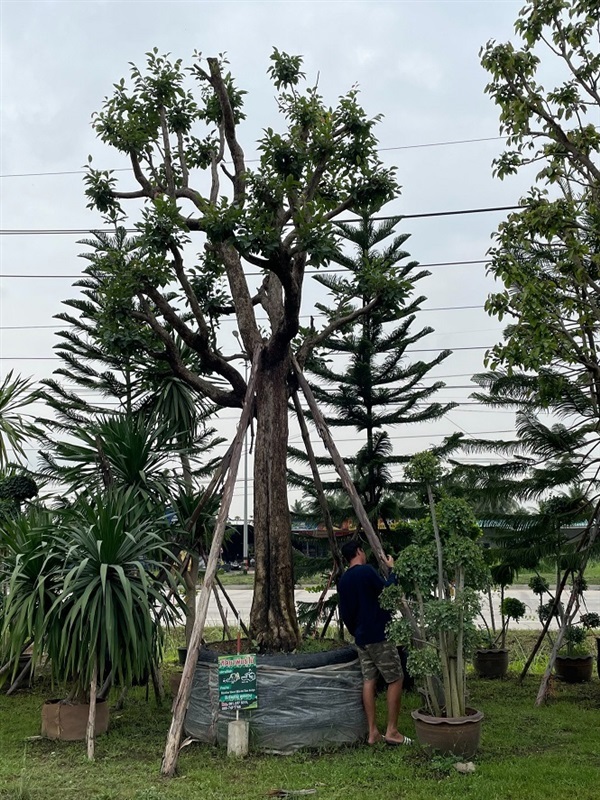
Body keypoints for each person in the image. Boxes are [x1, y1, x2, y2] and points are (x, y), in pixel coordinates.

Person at [337, 539, 412, 746]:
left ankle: (372, 732)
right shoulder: (367, 571)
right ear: (359, 552)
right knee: (395, 678)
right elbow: (387, 592)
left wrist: (356, 632)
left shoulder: (343, 581)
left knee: (369, 680)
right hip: (379, 635)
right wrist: (392, 570)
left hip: (361, 638)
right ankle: (392, 731)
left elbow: (345, 614)